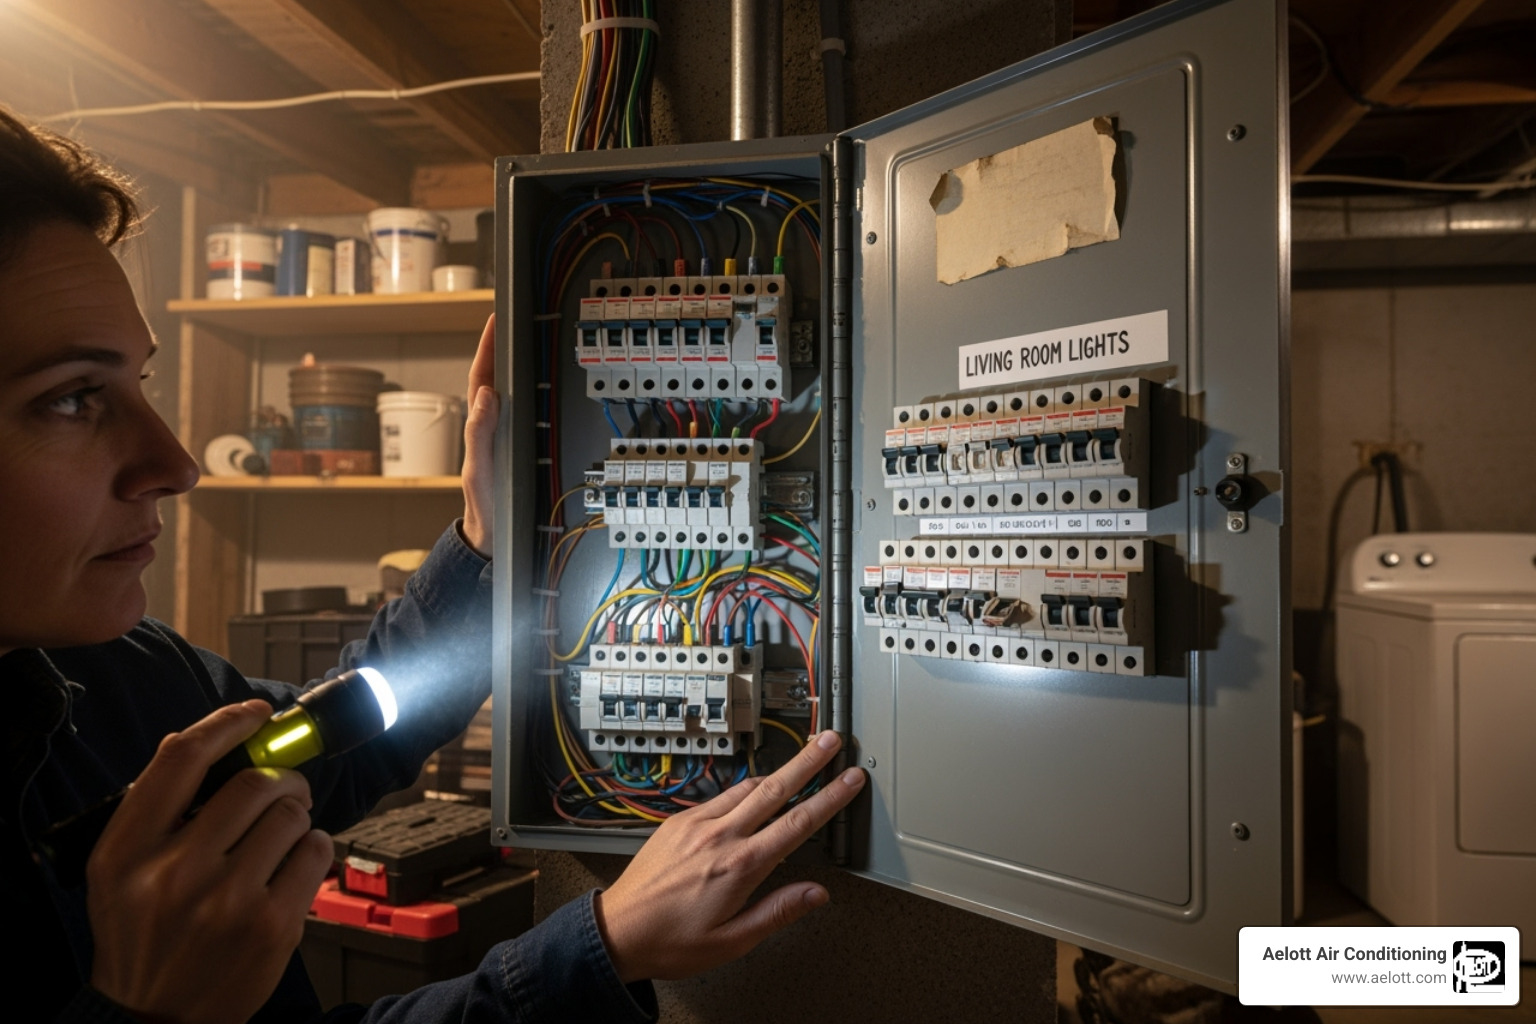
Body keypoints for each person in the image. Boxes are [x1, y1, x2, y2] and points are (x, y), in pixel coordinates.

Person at [0, 106, 867, 1024]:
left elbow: (336, 740)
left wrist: (488, 552)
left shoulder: (119, 679)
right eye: (71, 400)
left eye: (139, 381)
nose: (175, 464)